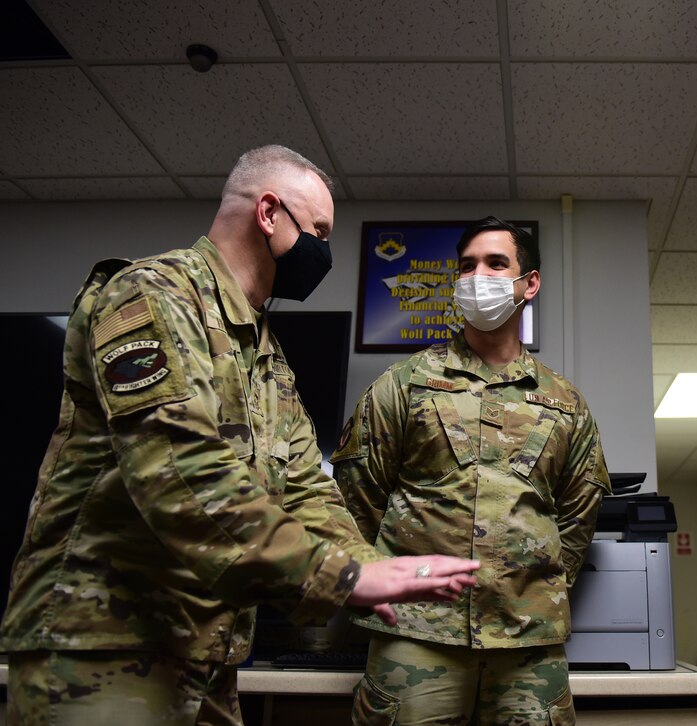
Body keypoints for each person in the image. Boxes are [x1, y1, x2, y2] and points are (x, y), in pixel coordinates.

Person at [0, 145, 480, 725]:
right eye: (320, 230)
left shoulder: (266, 357)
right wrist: (341, 575)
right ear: (269, 213)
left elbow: (306, 486)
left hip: (207, 650)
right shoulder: (152, 294)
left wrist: (367, 571)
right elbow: (176, 467)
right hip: (104, 645)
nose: (323, 251)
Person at [332, 216, 611, 724]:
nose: (477, 276)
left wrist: (525, 591)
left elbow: (576, 518)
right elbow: (357, 498)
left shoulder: (566, 403)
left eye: (496, 263)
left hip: (528, 641)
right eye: (467, 266)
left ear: (530, 284)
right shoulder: (404, 384)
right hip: (417, 636)